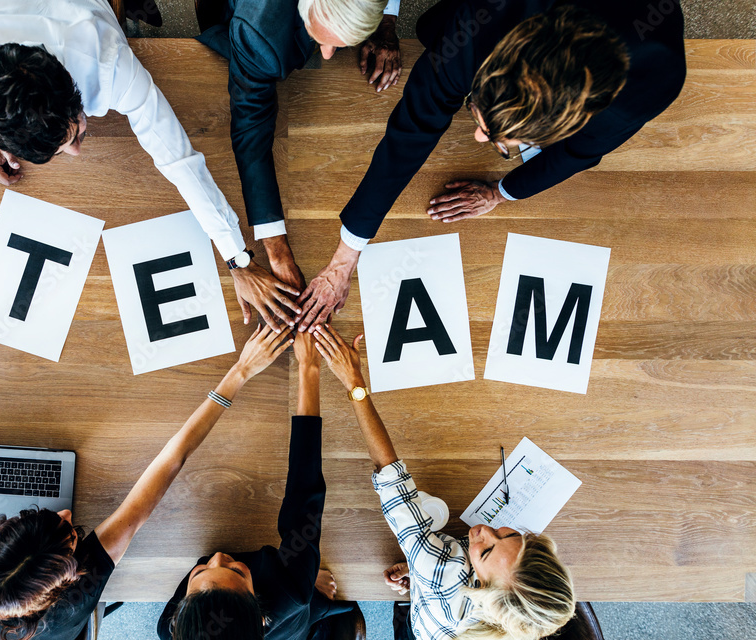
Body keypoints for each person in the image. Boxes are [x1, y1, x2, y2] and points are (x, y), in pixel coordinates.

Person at [0, 0, 300, 331]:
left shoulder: (109, 60)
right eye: (64, 149)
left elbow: (177, 158)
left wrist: (237, 257)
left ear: (74, 92)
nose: (77, 153)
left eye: (74, 135)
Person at [296, 0, 686, 331]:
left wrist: (500, 192)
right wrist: (346, 254)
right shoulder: (479, 28)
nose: (478, 138)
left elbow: (577, 155)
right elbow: (411, 130)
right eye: (475, 109)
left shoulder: (650, 84)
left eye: (500, 142)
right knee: (436, 32)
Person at [0, 325, 294, 640]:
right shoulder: (85, 584)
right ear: (69, 578)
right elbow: (169, 462)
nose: (67, 512)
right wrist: (240, 372)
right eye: (71, 534)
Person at [311, 323, 576, 640]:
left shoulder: (441, 566)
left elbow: (391, 477)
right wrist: (421, 576)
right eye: (507, 535)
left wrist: (353, 381)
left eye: (486, 551)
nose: (483, 531)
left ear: (484, 592)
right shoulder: (515, 617)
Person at [156, 330, 365, 640]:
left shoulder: (171, 629)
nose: (216, 557)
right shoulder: (290, 591)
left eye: (199, 573)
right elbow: (304, 492)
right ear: (261, 615)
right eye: (237, 571)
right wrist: (309, 368)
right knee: (306, 598)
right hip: (294, 608)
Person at [192, 0, 405, 300]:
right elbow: (250, 126)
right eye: (320, 38)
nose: (327, 55)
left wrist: (386, 24)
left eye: (337, 42)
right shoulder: (257, 34)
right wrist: (276, 250)